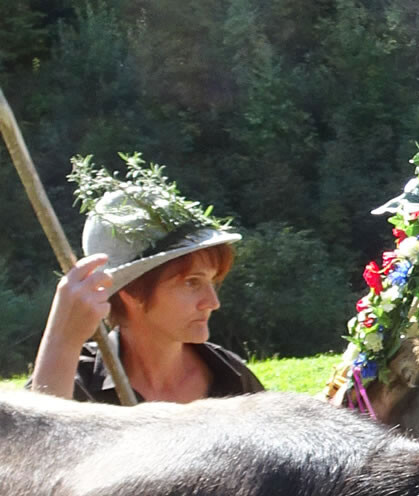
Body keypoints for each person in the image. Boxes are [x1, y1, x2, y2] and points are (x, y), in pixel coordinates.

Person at [27, 157, 259, 403]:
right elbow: (34, 437)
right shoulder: (73, 384)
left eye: (212, 282)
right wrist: (62, 340)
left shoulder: (232, 379)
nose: (212, 303)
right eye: (192, 282)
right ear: (131, 292)